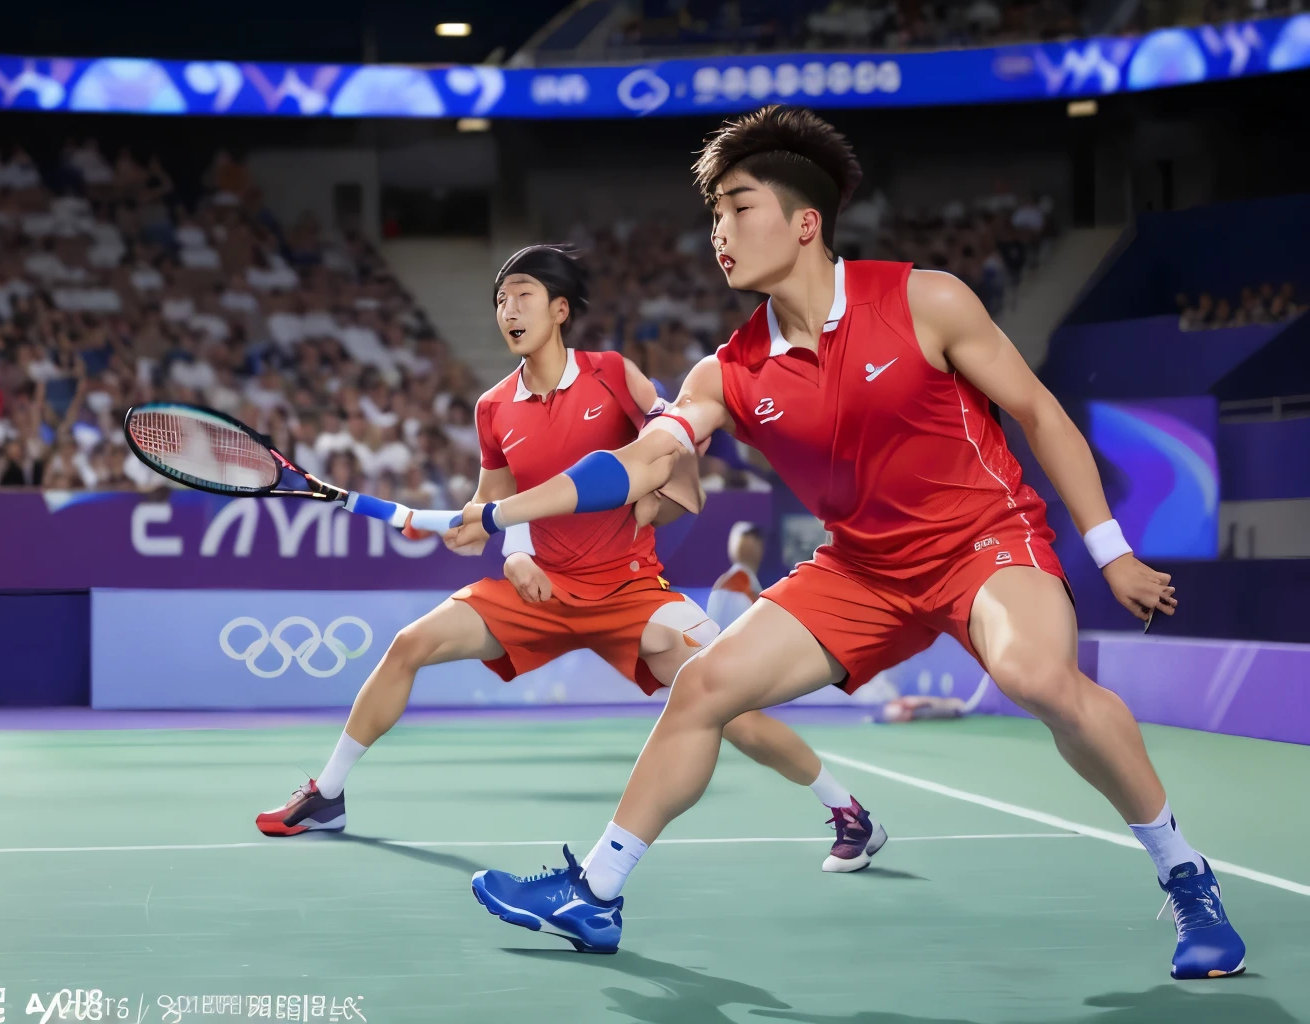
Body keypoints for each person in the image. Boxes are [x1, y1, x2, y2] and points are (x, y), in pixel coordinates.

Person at [456, 106, 1243, 981]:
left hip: (982, 543)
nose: (719, 230)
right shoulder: (728, 370)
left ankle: (1186, 876)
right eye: (712, 214)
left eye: (738, 207)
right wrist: (505, 513)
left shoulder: (923, 299)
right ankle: (595, 894)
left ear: (805, 222)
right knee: (703, 683)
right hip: (860, 568)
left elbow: (1038, 413)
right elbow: (642, 460)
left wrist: (1111, 551)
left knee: (1036, 679)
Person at [255, 244, 886, 874]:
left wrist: (659, 497)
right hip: (539, 592)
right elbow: (493, 503)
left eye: (523, 294)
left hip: (631, 591)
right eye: (501, 299)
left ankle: (848, 812)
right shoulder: (493, 407)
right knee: (409, 645)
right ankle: (328, 794)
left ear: (560, 309)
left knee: (727, 703)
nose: (509, 308)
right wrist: (491, 541)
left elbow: (679, 445)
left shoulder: (614, 373)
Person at [706, 522, 764, 631]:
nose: (753, 543)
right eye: (748, 537)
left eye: (756, 539)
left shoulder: (741, 580)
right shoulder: (735, 581)